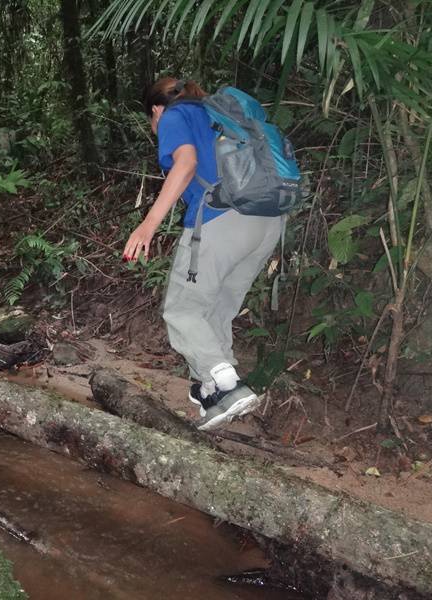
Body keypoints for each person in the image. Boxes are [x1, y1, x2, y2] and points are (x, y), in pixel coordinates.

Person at [123, 77, 282, 431]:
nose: (156, 128)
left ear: (156, 109)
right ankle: (214, 392)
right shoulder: (220, 115)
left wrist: (148, 225)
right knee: (216, 308)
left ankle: (228, 385)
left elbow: (186, 164)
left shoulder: (174, 116)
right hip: (267, 221)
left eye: (153, 121)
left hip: (221, 219)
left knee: (182, 309)